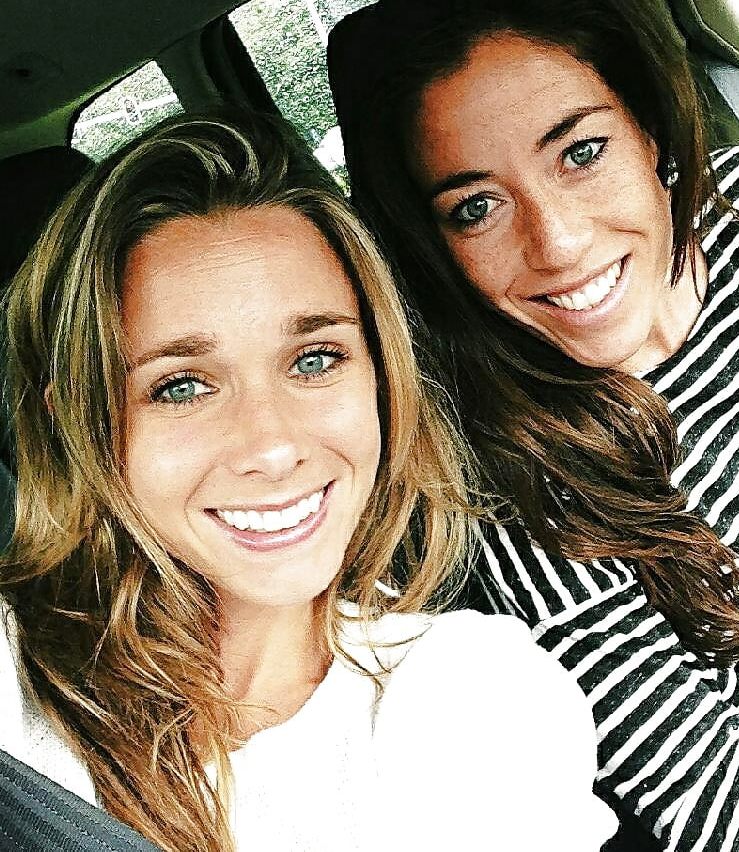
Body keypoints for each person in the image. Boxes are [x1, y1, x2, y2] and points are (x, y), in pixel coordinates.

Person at [326, 0, 739, 849]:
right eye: (477, 207)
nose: (560, 243)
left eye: (580, 153)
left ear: (650, 127)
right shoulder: (510, 482)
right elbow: (730, 813)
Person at [0, 110, 616, 852]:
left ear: (383, 375)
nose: (273, 446)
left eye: (315, 360)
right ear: (78, 424)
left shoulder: (473, 699)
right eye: (182, 386)